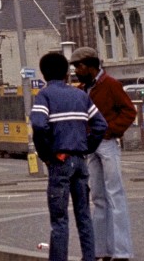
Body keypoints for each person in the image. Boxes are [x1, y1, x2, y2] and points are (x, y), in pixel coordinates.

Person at [30, 51, 107, 261]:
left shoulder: (44, 96)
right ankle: (89, 258)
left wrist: (46, 153)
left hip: (59, 161)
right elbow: (101, 125)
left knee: (59, 219)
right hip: (80, 161)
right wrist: (87, 146)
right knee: (84, 216)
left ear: (44, 75)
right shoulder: (81, 95)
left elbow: (38, 123)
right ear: (66, 73)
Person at [72, 47, 136, 261]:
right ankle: (101, 250)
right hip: (93, 145)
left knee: (115, 195)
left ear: (90, 66)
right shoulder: (83, 88)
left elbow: (129, 111)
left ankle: (121, 251)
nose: (76, 71)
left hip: (106, 143)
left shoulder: (110, 85)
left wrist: (110, 131)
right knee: (99, 197)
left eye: (79, 67)